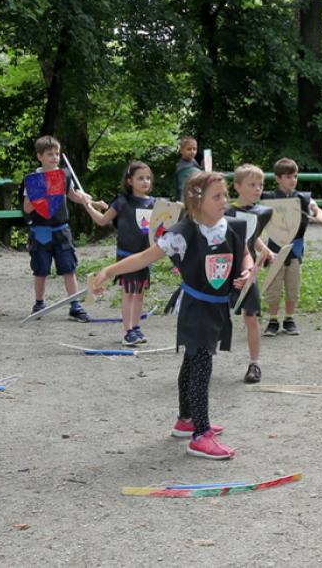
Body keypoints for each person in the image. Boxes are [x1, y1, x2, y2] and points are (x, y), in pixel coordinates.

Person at [90, 170, 251, 460]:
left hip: (217, 306)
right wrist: (109, 271)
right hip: (196, 308)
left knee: (192, 361)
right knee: (202, 364)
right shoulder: (182, 233)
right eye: (217, 196)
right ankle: (200, 435)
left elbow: (245, 253)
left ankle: (186, 420)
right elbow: (144, 257)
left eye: (225, 195)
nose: (224, 200)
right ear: (196, 201)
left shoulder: (228, 226)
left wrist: (247, 270)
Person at [21, 136, 96, 321]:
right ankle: (39, 303)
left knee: (68, 268)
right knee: (41, 269)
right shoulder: (33, 180)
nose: (55, 157)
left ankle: (75, 305)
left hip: (61, 229)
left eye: (57, 153)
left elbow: (71, 195)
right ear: (40, 156)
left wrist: (84, 198)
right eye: (49, 154)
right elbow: (27, 208)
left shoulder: (64, 175)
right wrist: (38, 193)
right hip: (41, 231)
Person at [83, 161, 157, 345]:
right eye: (140, 178)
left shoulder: (155, 203)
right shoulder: (121, 201)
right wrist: (87, 205)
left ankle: (136, 327)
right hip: (126, 255)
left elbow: (160, 228)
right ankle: (128, 331)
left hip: (144, 256)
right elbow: (102, 220)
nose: (145, 181)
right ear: (130, 181)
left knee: (139, 293)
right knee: (129, 293)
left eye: (148, 178)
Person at [262, 158, 322, 337]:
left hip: (295, 249)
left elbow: (316, 208)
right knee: (273, 288)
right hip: (274, 249)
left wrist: (319, 215)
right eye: (288, 176)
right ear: (278, 178)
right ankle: (273, 320)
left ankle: (289, 319)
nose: (293, 180)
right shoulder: (268, 198)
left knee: (292, 287)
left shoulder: (303, 198)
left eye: (295, 176)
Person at [227, 164, 275, 383]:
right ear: (237, 186)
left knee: (251, 316)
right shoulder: (225, 212)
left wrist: (264, 249)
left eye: (261, 185)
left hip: (248, 272)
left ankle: (254, 363)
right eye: (252, 185)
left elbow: (250, 236)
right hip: (223, 271)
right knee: (215, 317)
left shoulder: (257, 213)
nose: (258, 189)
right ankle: (202, 360)